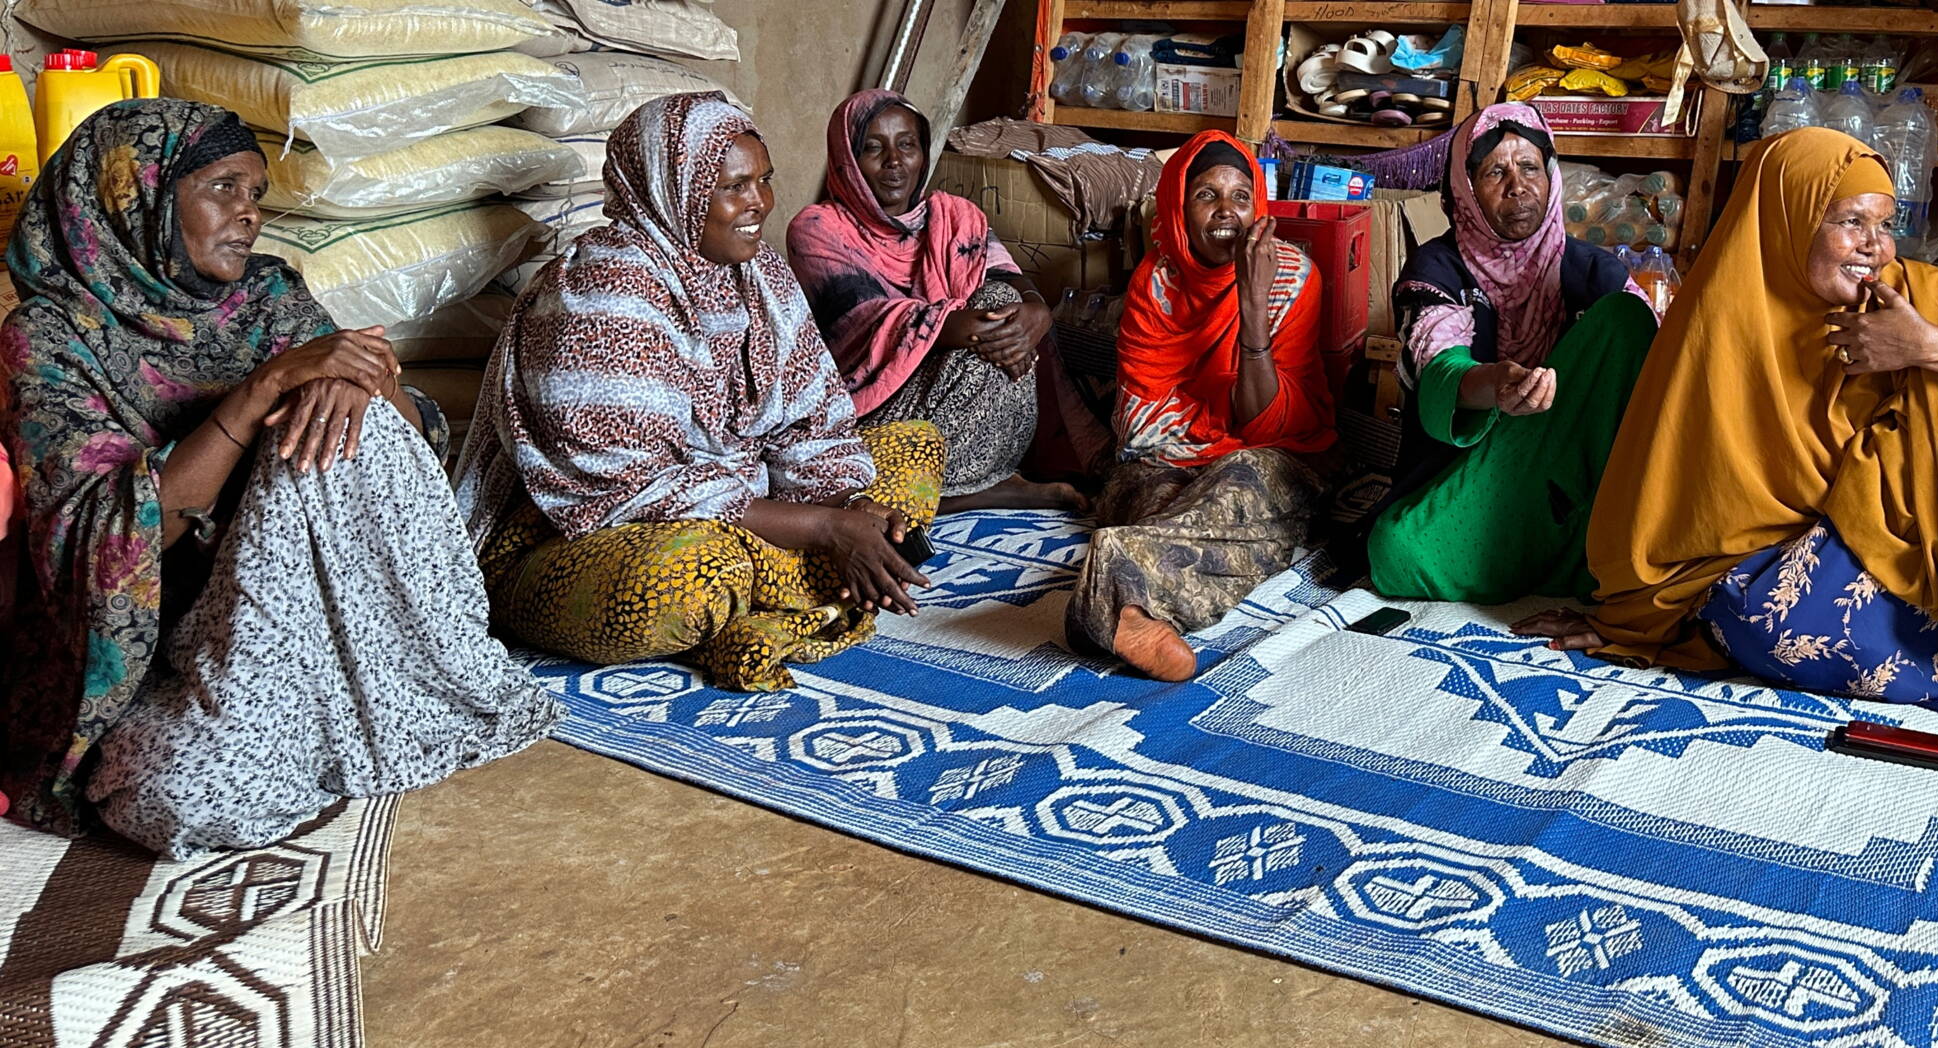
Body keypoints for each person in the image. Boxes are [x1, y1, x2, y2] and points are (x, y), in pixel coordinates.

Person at [0, 100, 558, 856]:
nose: (249, 215)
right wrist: (263, 389)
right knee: (181, 799)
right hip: (166, 642)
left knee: (355, 428)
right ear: (138, 198)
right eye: (223, 188)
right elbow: (103, 546)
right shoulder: (49, 339)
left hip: (309, 618)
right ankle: (303, 729)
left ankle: (352, 707)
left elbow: (410, 441)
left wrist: (362, 378)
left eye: (256, 194)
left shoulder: (268, 298)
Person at [1520, 128, 1938, 770]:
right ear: (1786, 219)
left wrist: (1928, 349)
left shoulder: (1920, 299)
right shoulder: (1718, 328)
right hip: (1800, 563)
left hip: (1931, 549)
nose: (1876, 248)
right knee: (1762, 622)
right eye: (1850, 222)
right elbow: (1676, 509)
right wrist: (1637, 619)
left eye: (1885, 225)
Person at [456, 92, 945, 694]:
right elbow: (628, 489)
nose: (759, 203)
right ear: (674, 189)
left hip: (748, 506)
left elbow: (812, 420)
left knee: (915, 448)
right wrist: (822, 530)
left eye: (764, 181)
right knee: (694, 577)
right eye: (733, 187)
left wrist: (848, 504)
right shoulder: (600, 290)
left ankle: (801, 591)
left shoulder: (756, 272)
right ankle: (802, 597)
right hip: (586, 535)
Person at [1067, 131, 1339, 683]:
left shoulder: (1293, 280)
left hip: (1262, 459)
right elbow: (1141, 422)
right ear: (1178, 208)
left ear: (1259, 209)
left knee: (1250, 484)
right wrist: (1211, 438)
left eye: (1242, 197)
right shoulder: (1158, 284)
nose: (1227, 212)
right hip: (1165, 461)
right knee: (1152, 497)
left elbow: (1267, 424)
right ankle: (1128, 609)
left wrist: (1252, 302)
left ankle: (1107, 601)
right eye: (1206, 196)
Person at [1363, 103, 1660, 603]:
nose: (1517, 186)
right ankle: (1570, 563)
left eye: (1530, 167)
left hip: (1574, 467)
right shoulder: (1438, 268)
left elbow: (1653, 375)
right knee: (1394, 554)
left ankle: (1574, 548)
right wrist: (1496, 385)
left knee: (1626, 321)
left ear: (1551, 175)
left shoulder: (1593, 271)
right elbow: (1438, 363)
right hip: (1477, 473)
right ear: (1465, 188)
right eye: (1495, 171)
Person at [787, 89, 1083, 514]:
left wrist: (1034, 313)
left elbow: (1011, 282)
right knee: (997, 317)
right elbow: (864, 319)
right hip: (874, 410)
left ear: (923, 153)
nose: (894, 162)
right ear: (846, 159)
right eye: (873, 148)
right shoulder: (818, 228)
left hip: (965, 409)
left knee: (1002, 301)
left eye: (907, 145)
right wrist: (957, 326)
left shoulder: (956, 218)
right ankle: (962, 494)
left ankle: (960, 486)